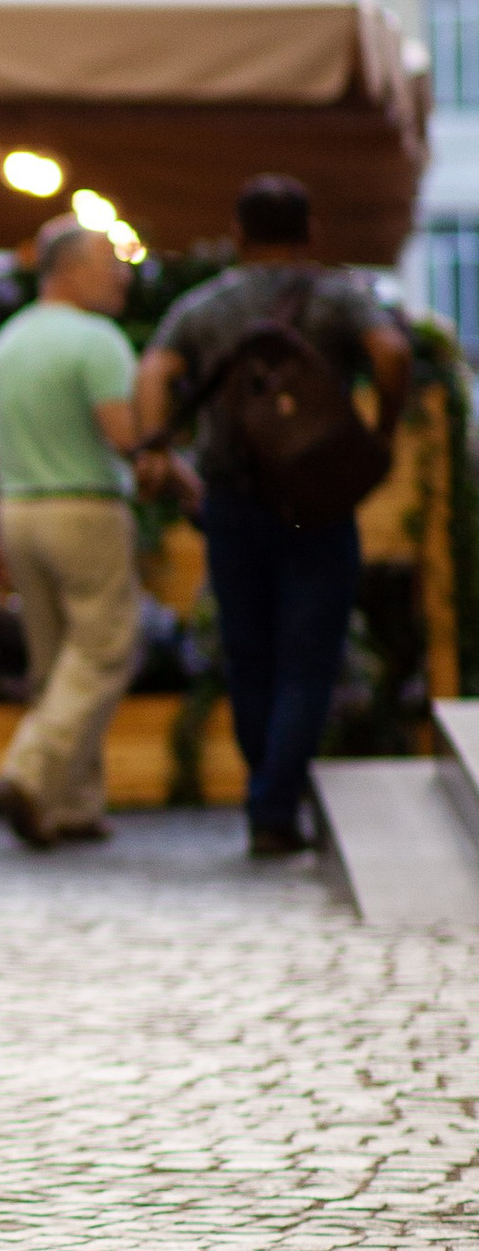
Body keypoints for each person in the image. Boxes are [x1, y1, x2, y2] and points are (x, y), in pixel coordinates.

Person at [137, 176, 410, 860]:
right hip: (316, 503)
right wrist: (382, 431)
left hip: (231, 500)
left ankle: (269, 795)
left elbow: (153, 373)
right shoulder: (339, 296)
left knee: (249, 655)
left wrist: (155, 446)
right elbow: (394, 352)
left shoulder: (206, 306)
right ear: (309, 232)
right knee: (307, 661)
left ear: (238, 233)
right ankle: (275, 807)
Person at [0, 216, 144, 850]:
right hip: (85, 509)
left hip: (19, 513)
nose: (122, 276)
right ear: (67, 271)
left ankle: (70, 805)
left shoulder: (1, 347)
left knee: (54, 664)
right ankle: (30, 771)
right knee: (103, 652)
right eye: (109, 264)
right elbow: (123, 435)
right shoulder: (97, 340)